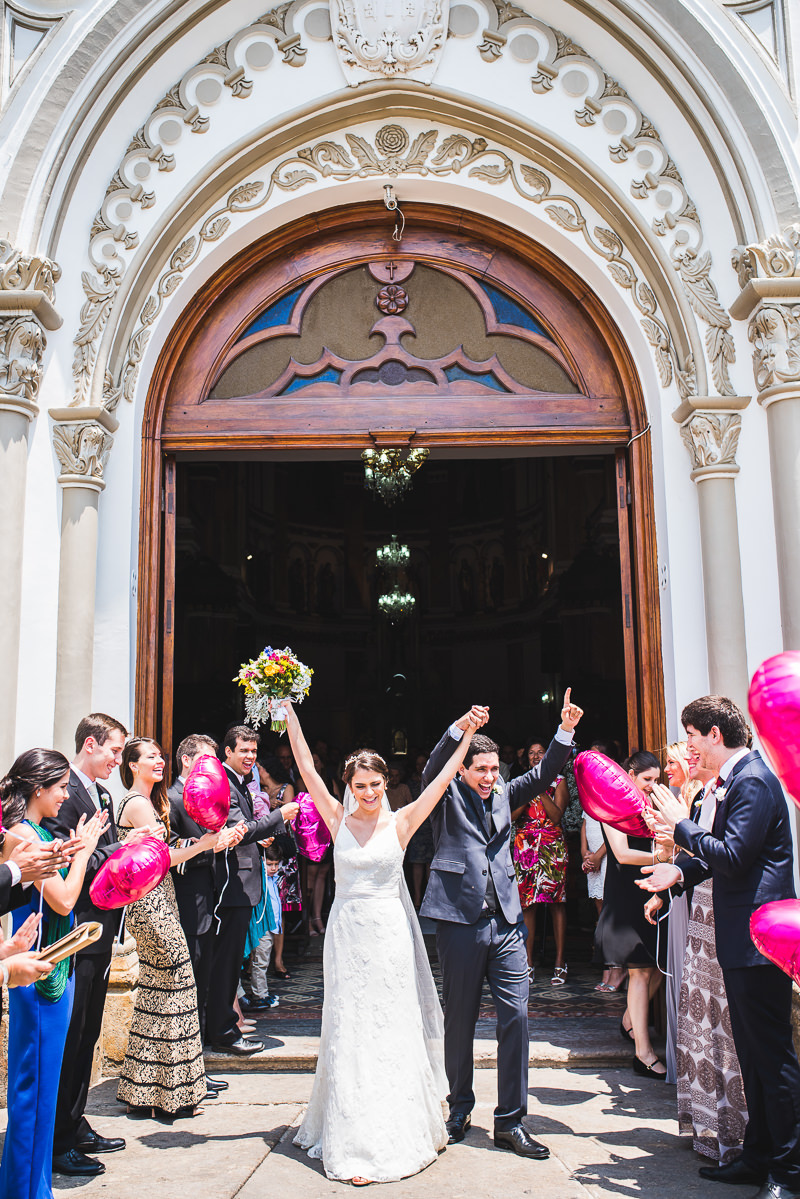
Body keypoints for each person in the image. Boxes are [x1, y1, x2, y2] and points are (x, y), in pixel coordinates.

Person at [285, 700, 481, 1185]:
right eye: (360, 786)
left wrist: (466, 735)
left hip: (390, 934)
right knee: (349, 1026)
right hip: (347, 934)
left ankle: (398, 1129)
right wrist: (287, 709)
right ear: (347, 787)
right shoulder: (335, 818)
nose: (369, 793)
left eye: (376, 785)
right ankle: (352, 1137)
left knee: (390, 1025)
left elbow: (441, 780)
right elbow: (306, 764)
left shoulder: (403, 820)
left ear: (386, 784)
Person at [640, 696, 800, 1199]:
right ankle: (757, 1156)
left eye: (690, 734)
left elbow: (731, 856)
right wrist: (679, 873)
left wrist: (681, 825)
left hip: (759, 942)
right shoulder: (738, 777)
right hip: (742, 940)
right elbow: (724, 858)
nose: (688, 745)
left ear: (713, 733)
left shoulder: (751, 780)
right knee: (751, 1055)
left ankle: (789, 1170)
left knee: (772, 1058)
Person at [421, 691, 583, 1157]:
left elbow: (546, 774)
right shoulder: (445, 793)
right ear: (465, 770)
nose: (491, 777)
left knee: (517, 1018)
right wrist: (461, 729)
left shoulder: (506, 794)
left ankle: (510, 1121)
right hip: (460, 923)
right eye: (482, 770)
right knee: (460, 1022)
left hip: (509, 924)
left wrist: (564, 731)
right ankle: (459, 1107)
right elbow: (435, 767)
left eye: (495, 770)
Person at [0, 748, 107, 1199]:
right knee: (34, 1097)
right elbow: (63, 900)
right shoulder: (22, 836)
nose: (67, 795)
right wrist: (82, 853)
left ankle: (33, 1186)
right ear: (38, 788)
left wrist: (68, 849)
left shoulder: (39, 830)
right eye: (61, 787)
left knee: (44, 1095)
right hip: (35, 976)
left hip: (51, 969)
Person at [116, 737, 233, 1117]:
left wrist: (204, 843)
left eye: (160, 756)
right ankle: (174, 1093)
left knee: (157, 991)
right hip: (151, 903)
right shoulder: (136, 803)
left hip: (155, 898)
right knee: (176, 986)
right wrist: (205, 845)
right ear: (133, 765)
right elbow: (162, 857)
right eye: (151, 757)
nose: (160, 762)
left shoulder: (147, 802)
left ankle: (145, 1091)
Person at [45, 712, 133, 1180]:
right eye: (115, 751)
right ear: (92, 744)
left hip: (101, 932)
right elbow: (66, 854)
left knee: (89, 1035)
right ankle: (58, 1142)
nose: (118, 760)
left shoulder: (101, 793)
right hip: (75, 930)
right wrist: (117, 854)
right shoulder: (63, 794)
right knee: (71, 1036)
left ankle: (75, 1124)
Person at [206, 726, 298, 1055]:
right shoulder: (225, 784)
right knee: (226, 962)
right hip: (231, 885)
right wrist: (278, 818)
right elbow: (237, 829)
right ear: (227, 752)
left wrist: (261, 836)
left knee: (231, 962)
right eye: (243, 750)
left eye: (253, 752)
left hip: (244, 883)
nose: (249, 757)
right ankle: (223, 1031)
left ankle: (225, 1026)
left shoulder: (241, 782)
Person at [168, 734, 244, 1093]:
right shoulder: (171, 800)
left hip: (207, 903)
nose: (214, 770)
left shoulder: (203, 797)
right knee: (189, 991)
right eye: (207, 761)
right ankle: (189, 1073)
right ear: (187, 762)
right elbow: (170, 858)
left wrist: (220, 841)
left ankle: (195, 1071)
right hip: (187, 903)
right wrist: (210, 847)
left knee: (201, 988)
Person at [594, 750, 666, 1079]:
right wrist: (663, 856)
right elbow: (621, 854)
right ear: (631, 775)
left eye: (657, 779)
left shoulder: (654, 807)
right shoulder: (612, 806)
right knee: (640, 971)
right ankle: (643, 1053)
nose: (653, 785)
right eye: (647, 779)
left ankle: (628, 1020)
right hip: (626, 895)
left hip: (651, 891)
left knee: (658, 969)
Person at [648, 742, 704, 1084]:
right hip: (678, 893)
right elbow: (674, 854)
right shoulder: (678, 797)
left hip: (695, 895)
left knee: (689, 978)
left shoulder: (697, 799)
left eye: (671, 761)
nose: (667, 769)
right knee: (679, 978)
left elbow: (699, 852)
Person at [511, 741, 569, 985]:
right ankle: (528, 962)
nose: (535, 756)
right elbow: (512, 816)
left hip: (551, 845)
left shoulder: (559, 781)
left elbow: (556, 816)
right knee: (527, 905)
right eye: (531, 753)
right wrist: (529, 787)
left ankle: (560, 961)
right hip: (525, 846)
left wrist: (541, 788)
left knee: (556, 903)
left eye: (540, 753)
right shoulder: (521, 781)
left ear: (549, 756)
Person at [252, 754, 297, 979]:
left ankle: (278, 959)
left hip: (281, 852)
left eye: (258, 767)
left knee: (279, 906)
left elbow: (288, 817)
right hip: (261, 851)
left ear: (267, 769)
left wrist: (273, 807)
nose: (255, 770)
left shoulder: (285, 788)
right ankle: (255, 961)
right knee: (259, 904)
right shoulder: (253, 789)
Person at [242, 842, 283, 1009]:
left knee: (262, 959)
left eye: (276, 864)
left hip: (270, 925)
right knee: (261, 960)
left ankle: (261, 992)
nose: (273, 868)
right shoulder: (261, 880)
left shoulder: (274, 879)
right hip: (261, 924)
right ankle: (260, 994)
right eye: (269, 864)